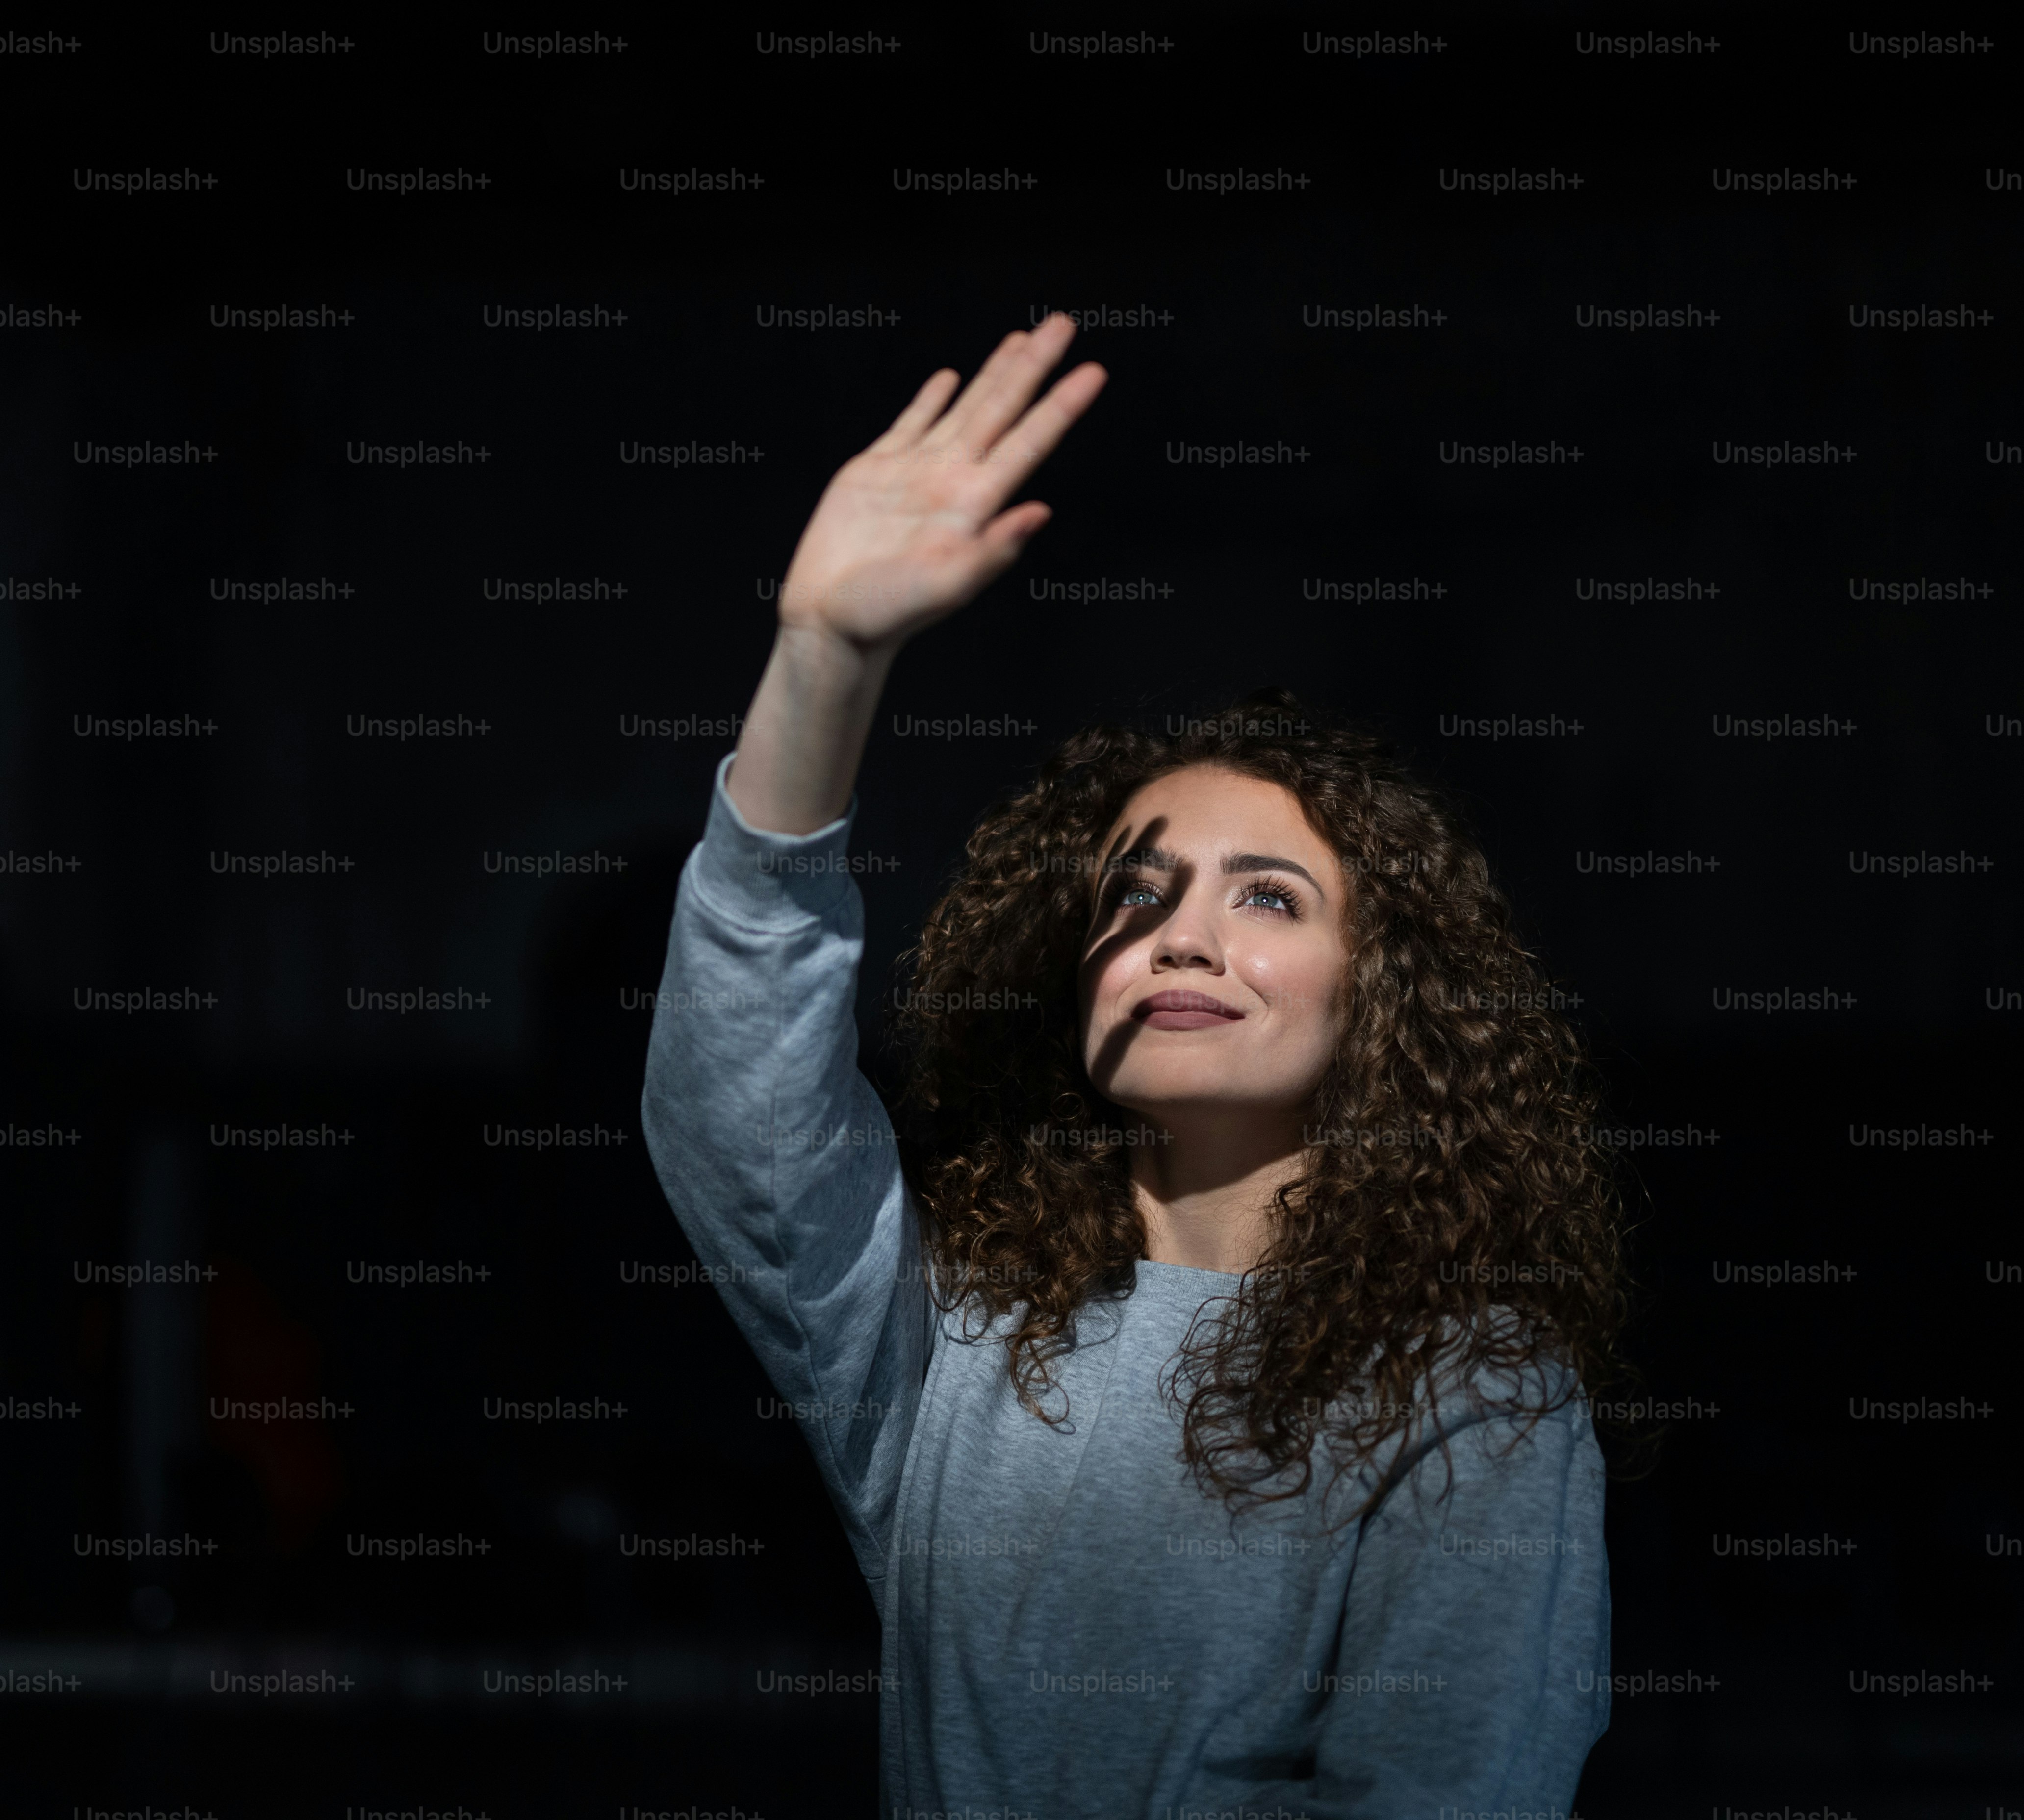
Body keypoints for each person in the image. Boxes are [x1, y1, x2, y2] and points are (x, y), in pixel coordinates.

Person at [641, 313, 1633, 1815]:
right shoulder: (955, 1338)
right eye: (1136, 892)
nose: (1180, 937)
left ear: (1387, 998)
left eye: (1269, 898)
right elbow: (741, 1109)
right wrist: (823, 657)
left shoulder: (1471, 1391)